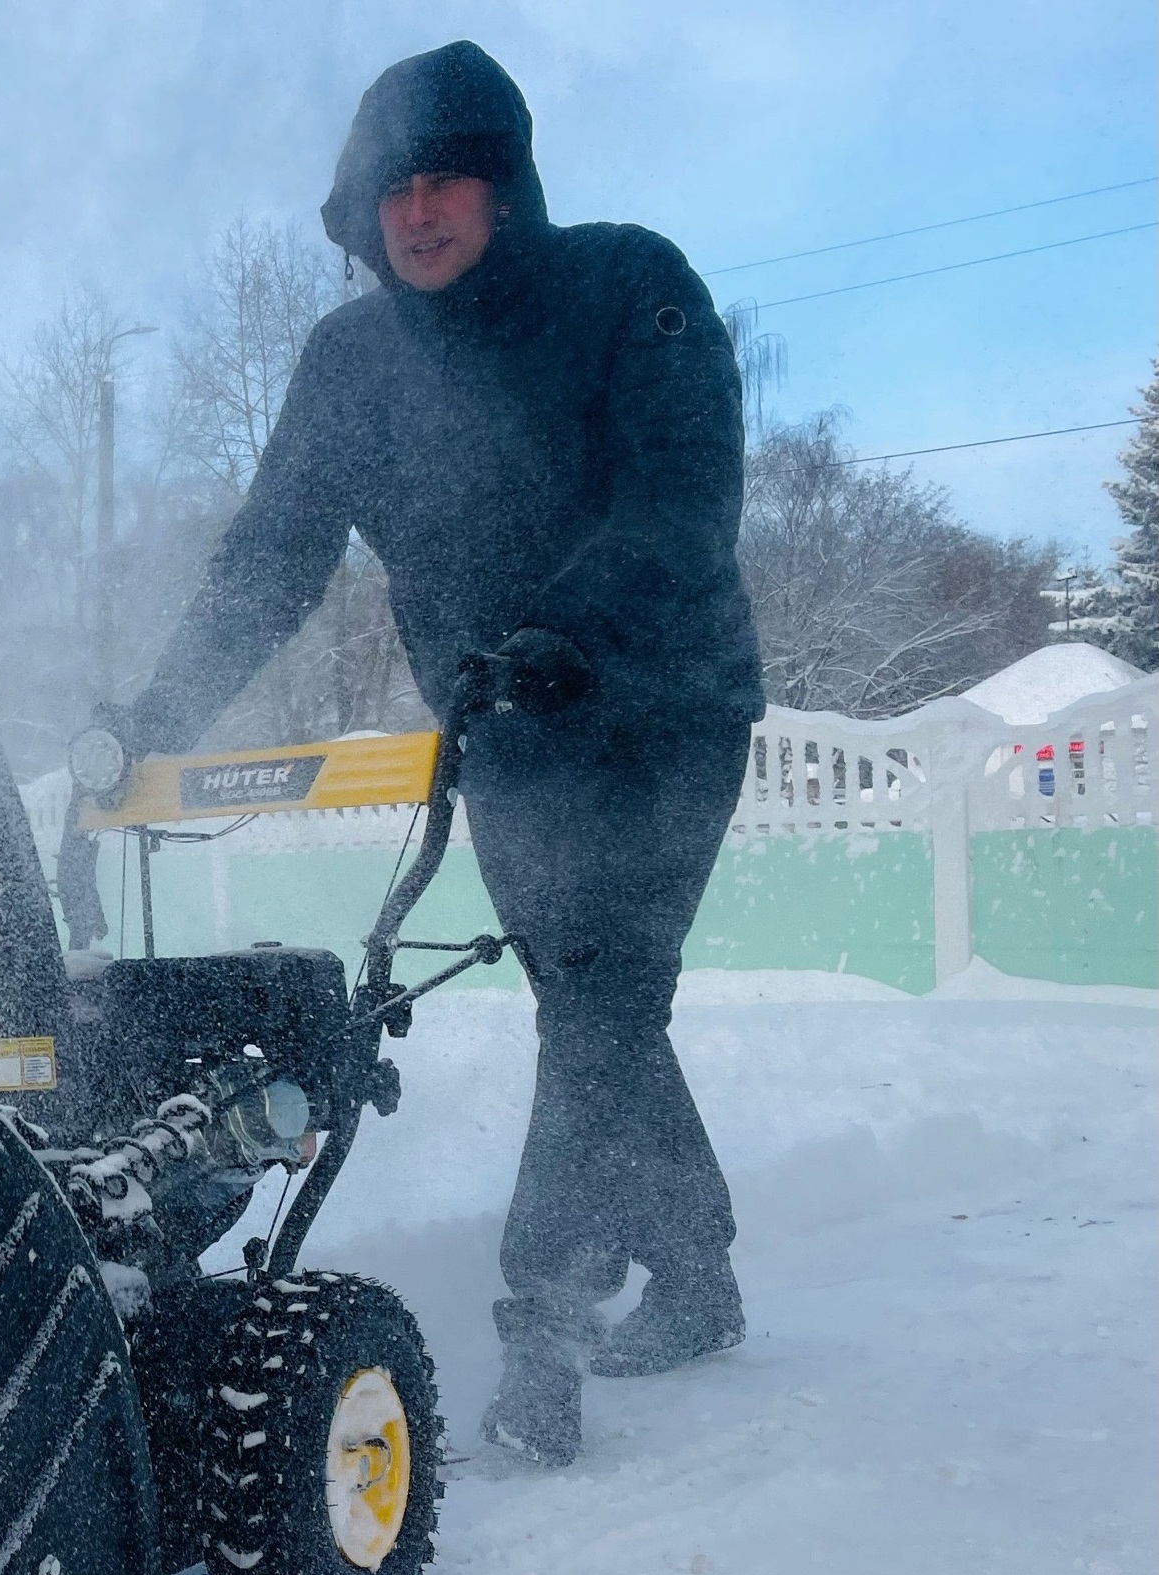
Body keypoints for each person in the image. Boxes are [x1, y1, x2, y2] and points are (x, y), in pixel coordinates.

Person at [107, 40, 765, 1465]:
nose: (418, 212)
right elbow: (270, 556)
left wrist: (565, 629)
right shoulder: (349, 366)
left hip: (658, 707)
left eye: (445, 176)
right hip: (502, 725)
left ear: (506, 183)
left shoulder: (624, 286)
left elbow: (680, 499)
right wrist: (156, 711)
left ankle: (546, 1308)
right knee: (595, 1000)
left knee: (594, 988)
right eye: (390, 188)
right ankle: (696, 1268)